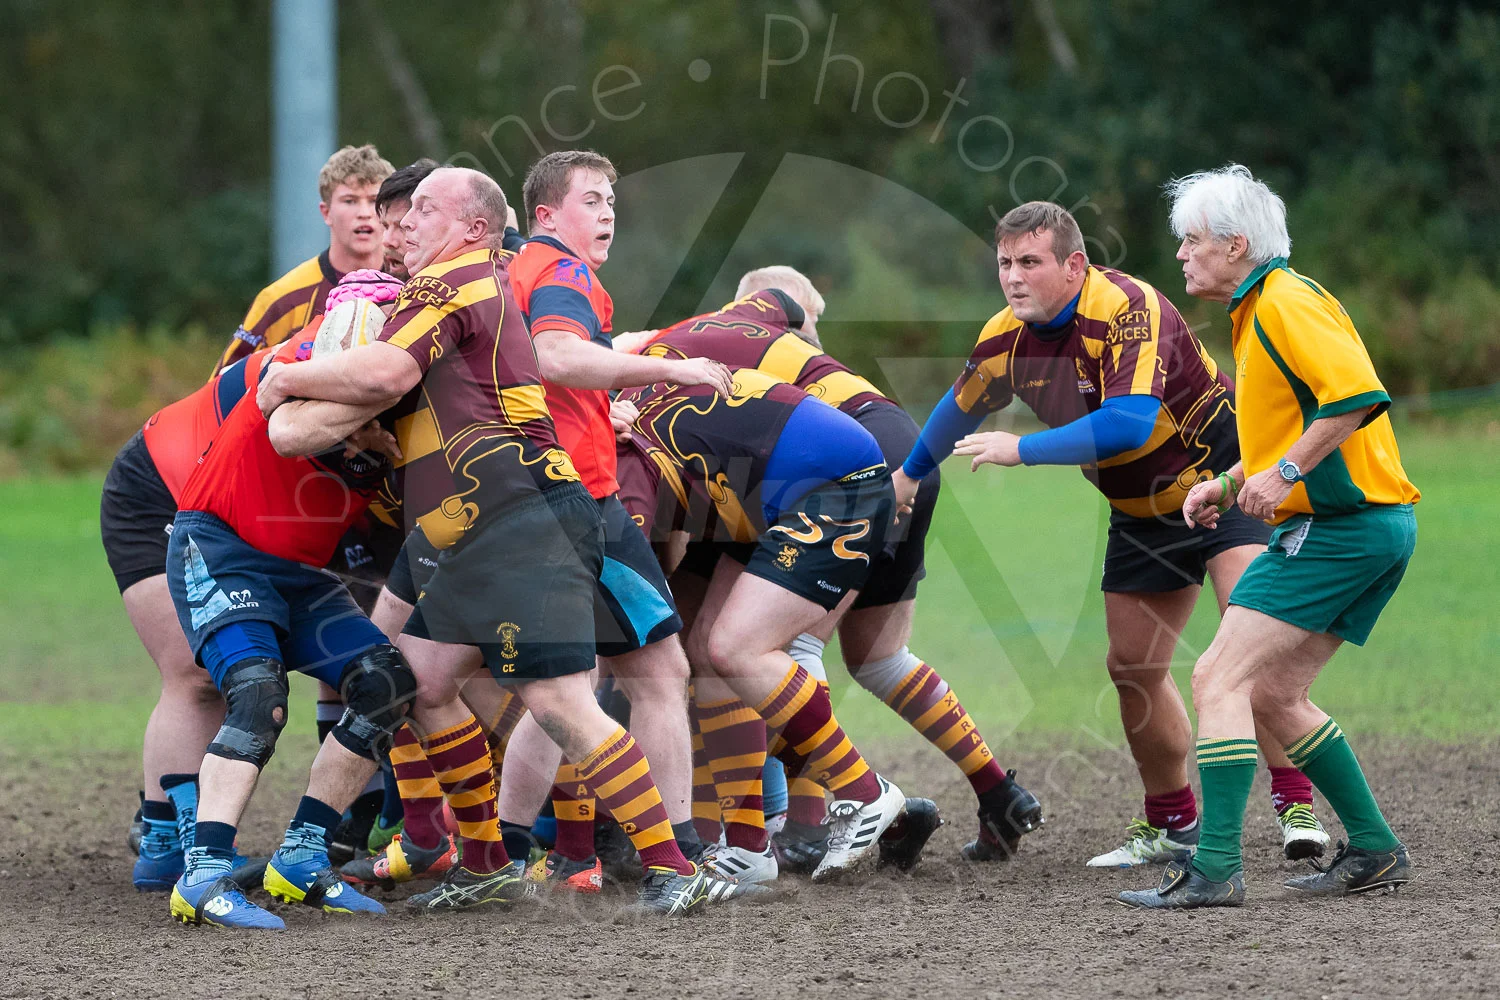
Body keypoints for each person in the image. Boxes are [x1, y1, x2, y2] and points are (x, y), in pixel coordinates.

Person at [257, 166, 735, 916]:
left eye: (421, 210)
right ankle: (479, 859)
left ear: (475, 229)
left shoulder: (458, 285)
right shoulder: (457, 290)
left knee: (558, 702)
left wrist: (287, 378)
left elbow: (382, 372)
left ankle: (675, 864)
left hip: (517, 517)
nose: (401, 223)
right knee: (415, 683)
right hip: (468, 523)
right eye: (400, 212)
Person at [897, 201, 1330, 868]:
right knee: (1132, 668)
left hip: (1226, 479)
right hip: (1140, 510)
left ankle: (1296, 803)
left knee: (1252, 651)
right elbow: (956, 411)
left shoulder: (1128, 307)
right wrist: (908, 477)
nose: (1013, 278)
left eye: (1030, 263)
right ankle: (1172, 823)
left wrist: (1024, 449)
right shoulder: (1003, 339)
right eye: (1005, 263)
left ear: (1073, 265)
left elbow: (1129, 424)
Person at [624, 268, 1043, 870]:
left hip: (836, 463)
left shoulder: (684, 355)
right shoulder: (746, 329)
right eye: (810, 325)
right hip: (884, 451)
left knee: (756, 646)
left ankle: (806, 823)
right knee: (877, 659)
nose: (814, 345)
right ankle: (997, 790)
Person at [1120, 165, 1418, 909]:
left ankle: (1215, 867)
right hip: (1363, 527)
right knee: (1278, 693)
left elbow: (1355, 399)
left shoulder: (1286, 301)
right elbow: (1299, 418)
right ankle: (1376, 848)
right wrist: (1229, 482)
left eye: (1193, 242)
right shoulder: (1259, 310)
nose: (1183, 255)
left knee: (1219, 678)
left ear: (1237, 244)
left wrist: (1284, 475)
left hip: (1343, 528)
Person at [503, 149, 735, 891]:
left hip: (545, 500)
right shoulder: (565, 273)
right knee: (648, 677)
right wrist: (672, 369)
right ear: (546, 214)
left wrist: (611, 396)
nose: (607, 215)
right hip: (578, 505)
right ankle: (677, 857)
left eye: (612, 203)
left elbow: (557, 370)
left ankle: (501, 856)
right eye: (592, 200)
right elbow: (559, 357)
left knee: (566, 689)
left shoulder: (522, 271)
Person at [163, 292, 416, 929]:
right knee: (256, 694)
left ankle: (302, 856)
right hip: (221, 545)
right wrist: (367, 419)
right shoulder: (305, 360)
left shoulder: (405, 405)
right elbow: (290, 433)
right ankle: (202, 874)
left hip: (303, 575)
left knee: (385, 683)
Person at [615, 366, 913, 882]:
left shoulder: (616, 455)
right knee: (706, 652)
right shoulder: (615, 402)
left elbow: (632, 566)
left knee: (737, 648)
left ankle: (865, 792)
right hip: (754, 499)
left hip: (834, 482)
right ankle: (750, 846)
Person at [214, 144, 394, 373]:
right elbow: (221, 385)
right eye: (350, 201)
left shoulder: (413, 287)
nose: (364, 212)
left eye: (374, 200)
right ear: (326, 212)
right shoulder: (281, 299)